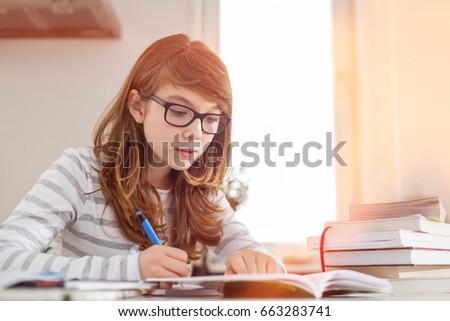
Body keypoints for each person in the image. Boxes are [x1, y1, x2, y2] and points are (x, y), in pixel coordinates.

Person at [0, 34, 285, 283]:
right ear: (138, 107)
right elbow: (5, 260)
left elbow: (252, 250)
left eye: (211, 117)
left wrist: (260, 262)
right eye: (178, 110)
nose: (196, 134)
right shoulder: (80, 173)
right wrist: (130, 269)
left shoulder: (201, 193)